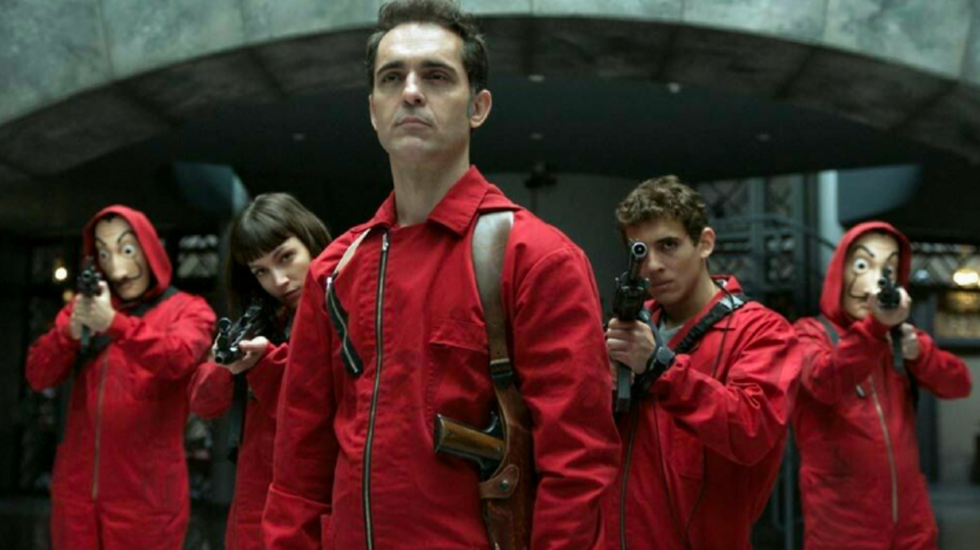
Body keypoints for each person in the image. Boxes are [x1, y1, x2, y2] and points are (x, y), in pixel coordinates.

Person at [261, 1, 620, 548]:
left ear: (478, 106)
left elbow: (579, 469)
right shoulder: (334, 271)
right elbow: (297, 470)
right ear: (373, 110)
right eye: (391, 78)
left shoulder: (536, 259)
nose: (410, 91)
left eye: (435, 76)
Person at [603, 176, 801, 550]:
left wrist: (661, 367)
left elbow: (752, 432)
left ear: (705, 243)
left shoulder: (761, 331)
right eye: (640, 252)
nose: (653, 266)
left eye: (669, 245)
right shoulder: (631, 329)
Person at [25, 205, 216, 550]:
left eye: (126, 250)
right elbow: (37, 375)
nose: (116, 267)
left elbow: (178, 357)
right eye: (103, 253)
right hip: (77, 495)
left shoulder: (189, 310)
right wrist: (67, 334)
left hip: (147, 499)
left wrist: (115, 325)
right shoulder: (85, 308)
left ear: (149, 249)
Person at [792, 221, 972, 550]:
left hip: (912, 525)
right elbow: (823, 381)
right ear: (840, 272)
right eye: (862, 265)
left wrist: (921, 353)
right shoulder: (810, 334)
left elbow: (959, 383)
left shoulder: (899, 339)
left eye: (888, 269)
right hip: (842, 529)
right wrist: (873, 331)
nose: (876, 281)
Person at [188, 193, 330, 550]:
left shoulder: (343, 314)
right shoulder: (270, 319)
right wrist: (224, 364)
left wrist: (266, 364)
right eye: (261, 271)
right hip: (254, 508)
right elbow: (204, 404)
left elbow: (315, 409)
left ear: (310, 241)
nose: (278, 280)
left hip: (316, 511)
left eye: (286, 257)